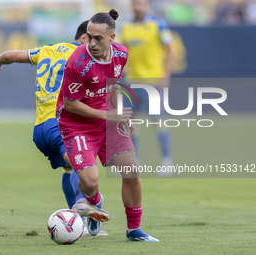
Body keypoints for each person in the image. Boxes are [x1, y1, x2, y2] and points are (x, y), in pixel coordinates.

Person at [0, 20, 107, 236]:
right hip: (60, 123)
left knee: (69, 167)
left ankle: (78, 223)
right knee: (82, 162)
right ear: (84, 38)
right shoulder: (82, 57)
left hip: (40, 129)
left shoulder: (46, 50)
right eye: (94, 39)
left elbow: (11, 56)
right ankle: (87, 202)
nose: (97, 46)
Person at [56, 9, 159, 241]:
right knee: (90, 183)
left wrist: (122, 115)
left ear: (112, 38)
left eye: (98, 38)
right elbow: (71, 105)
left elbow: (111, 86)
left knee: (132, 170)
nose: (91, 43)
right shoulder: (78, 62)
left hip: (107, 121)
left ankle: (134, 230)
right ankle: (94, 204)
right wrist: (107, 115)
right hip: (77, 126)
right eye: (89, 37)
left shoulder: (121, 54)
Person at [121, 0, 175, 175]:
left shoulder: (158, 25)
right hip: (132, 81)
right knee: (132, 121)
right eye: (135, 4)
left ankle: (167, 161)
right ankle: (135, 161)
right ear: (131, 6)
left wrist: (165, 76)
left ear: (147, 6)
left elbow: (171, 51)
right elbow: (121, 53)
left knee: (158, 120)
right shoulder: (126, 27)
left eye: (142, 4)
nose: (138, 7)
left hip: (152, 81)